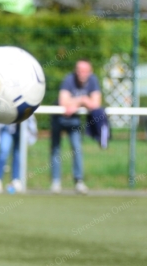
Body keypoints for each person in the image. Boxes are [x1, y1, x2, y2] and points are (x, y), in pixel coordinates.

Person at [50, 59, 102, 195]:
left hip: (74, 120)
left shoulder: (93, 80)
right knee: (56, 149)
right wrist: (82, 100)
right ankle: (56, 182)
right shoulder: (68, 80)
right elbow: (63, 102)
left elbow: (95, 104)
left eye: (85, 71)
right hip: (59, 117)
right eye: (79, 71)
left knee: (77, 148)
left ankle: (79, 181)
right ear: (75, 71)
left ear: (90, 72)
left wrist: (77, 102)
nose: (82, 74)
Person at [0, 116, 38, 194]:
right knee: (3, 152)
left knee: (17, 154)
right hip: (6, 125)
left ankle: (15, 180)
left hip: (21, 126)